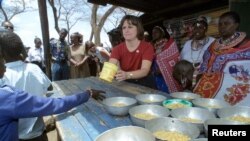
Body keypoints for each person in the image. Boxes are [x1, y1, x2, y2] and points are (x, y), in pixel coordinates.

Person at [0, 57, 105, 141]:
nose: (4, 64)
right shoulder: (7, 97)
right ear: (21, 54)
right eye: (1, 59)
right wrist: (88, 93)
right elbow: (54, 104)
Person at [175, 12, 250, 107]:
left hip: (229, 97)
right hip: (206, 93)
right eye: (220, 24)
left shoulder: (246, 46)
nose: (222, 27)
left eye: (226, 24)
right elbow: (205, 65)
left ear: (236, 25)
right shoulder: (213, 45)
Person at [0, 30, 51, 141]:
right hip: (38, 133)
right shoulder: (34, 69)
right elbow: (48, 88)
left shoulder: (3, 76)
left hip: (14, 136)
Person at [109, 15, 154, 88]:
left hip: (145, 83)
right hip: (125, 83)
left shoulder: (147, 47)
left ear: (138, 29)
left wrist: (127, 75)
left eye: (130, 27)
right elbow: (110, 67)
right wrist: (110, 72)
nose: (126, 30)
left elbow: (145, 70)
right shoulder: (116, 49)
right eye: (124, 28)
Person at [151, 26, 182, 93]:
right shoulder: (152, 47)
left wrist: (162, 68)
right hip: (157, 77)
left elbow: (175, 58)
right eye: (152, 33)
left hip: (168, 76)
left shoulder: (170, 45)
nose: (153, 34)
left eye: (156, 32)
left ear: (162, 33)